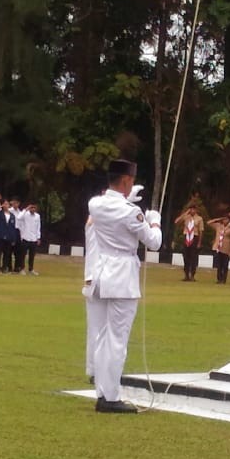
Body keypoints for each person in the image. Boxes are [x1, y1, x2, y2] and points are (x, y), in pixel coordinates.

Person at [87, 159, 162, 414]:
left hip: (100, 272)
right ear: (127, 181)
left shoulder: (95, 204)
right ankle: (111, 395)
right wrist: (154, 221)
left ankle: (102, 392)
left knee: (102, 338)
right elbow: (154, 242)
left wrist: (127, 198)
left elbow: (110, 205)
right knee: (117, 340)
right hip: (121, 275)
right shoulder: (131, 212)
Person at [174, 203, 203, 281]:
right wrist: (185, 213)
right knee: (186, 257)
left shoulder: (199, 218)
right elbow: (176, 222)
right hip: (186, 237)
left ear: (196, 210)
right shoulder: (186, 217)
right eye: (191, 209)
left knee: (193, 257)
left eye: (194, 209)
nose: (192, 211)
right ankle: (186, 275)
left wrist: (199, 242)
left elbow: (201, 231)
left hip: (194, 237)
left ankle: (192, 275)